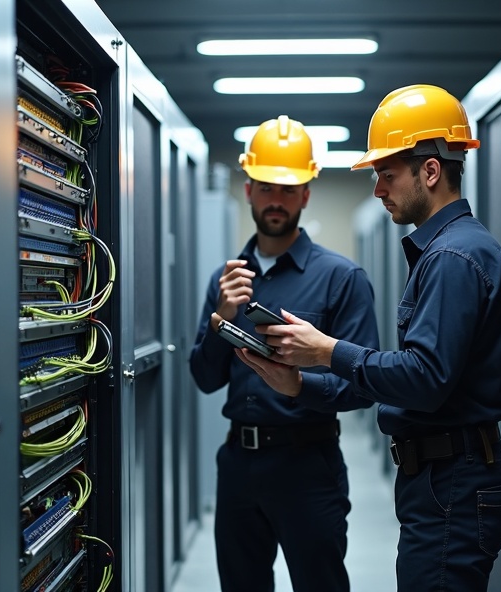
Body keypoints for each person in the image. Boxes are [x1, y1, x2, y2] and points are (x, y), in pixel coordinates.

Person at [244, 85, 501, 591]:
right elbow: (418, 375)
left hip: (453, 481)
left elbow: (425, 378)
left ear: (431, 171)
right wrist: (301, 383)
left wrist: (327, 351)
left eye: (386, 174)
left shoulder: (452, 259)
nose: (377, 189)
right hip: (446, 477)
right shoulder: (451, 251)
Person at [189, 115, 380, 592]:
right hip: (238, 463)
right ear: (248, 189)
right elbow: (205, 377)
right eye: (266, 186)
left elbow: (364, 385)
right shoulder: (225, 279)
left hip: (307, 463)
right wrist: (221, 314)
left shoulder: (342, 278)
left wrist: (298, 384)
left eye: (289, 189)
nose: (276, 199)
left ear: (306, 195)